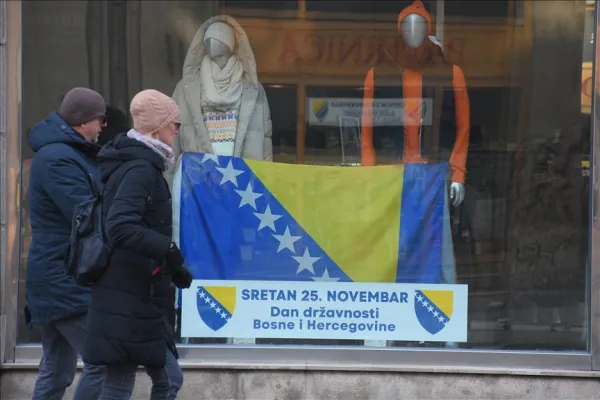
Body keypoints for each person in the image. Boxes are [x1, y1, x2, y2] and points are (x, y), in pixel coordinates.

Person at [83, 89, 193, 399]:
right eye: (175, 124)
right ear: (158, 127)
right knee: (129, 382)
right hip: (129, 294)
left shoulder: (140, 161)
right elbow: (121, 226)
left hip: (135, 293)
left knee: (161, 380)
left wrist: (171, 264)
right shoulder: (141, 168)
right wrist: (168, 250)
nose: (177, 130)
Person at [26, 87, 107, 399]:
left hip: (57, 277)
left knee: (57, 370)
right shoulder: (59, 158)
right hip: (63, 279)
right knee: (104, 361)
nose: (102, 126)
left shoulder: (66, 154)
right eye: (100, 119)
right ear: (83, 120)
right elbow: (85, 213)